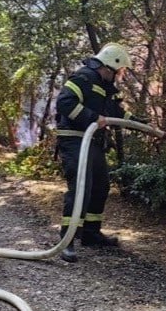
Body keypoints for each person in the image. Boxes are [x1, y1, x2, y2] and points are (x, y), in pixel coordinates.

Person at [54, 43, 132, 263]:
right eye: (119, 72)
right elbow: (65, 102)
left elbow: (115, 113)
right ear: (110, 66)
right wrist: (91, 118)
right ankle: (67, 240)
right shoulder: (84, 78)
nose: (119, 76)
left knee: (100, 186)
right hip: (75, 139)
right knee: (81, 188)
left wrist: (137, 122)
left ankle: (90, 233)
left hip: (94, 142)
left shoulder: (104, 87)